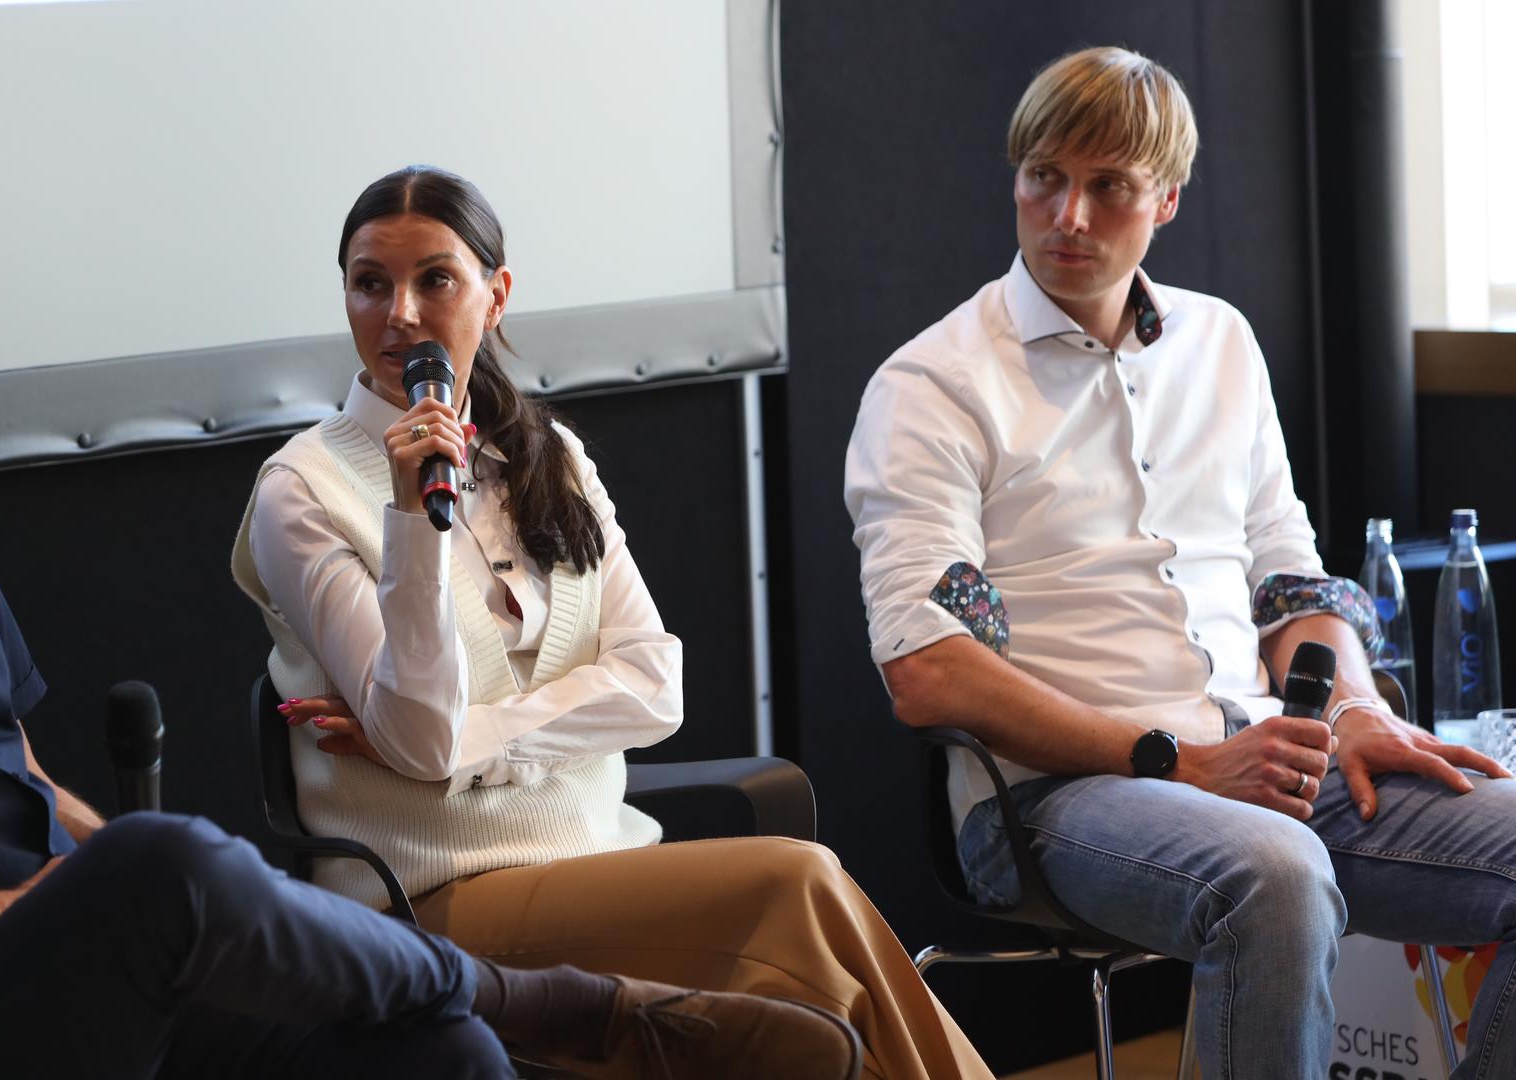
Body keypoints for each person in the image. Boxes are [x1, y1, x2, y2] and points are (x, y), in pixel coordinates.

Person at [0, 165, 866, 1080]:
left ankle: (511, 1011)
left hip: (72, 960)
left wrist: (126, 884)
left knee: (431, 1048)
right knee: (164, 862)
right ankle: (574, 1008)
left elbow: (14, 768)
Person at [232, 164, 995, 1080]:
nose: (399, 312)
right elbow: (422, 734)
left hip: (608, 864)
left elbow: (653, 683)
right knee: (798, 883)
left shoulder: (546, 454)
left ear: (495, 294)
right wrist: (412, 522)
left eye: (434, 279)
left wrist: (482, 741)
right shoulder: (300, 491)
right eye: (369, 283)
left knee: (816, 1006)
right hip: (429, 902)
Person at [847, 45, 1516, 1077]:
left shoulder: (1220, 343)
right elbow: (930, 669)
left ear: (1164, 200)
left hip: (1259, 758)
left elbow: (1290, 576)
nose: (1067, 216)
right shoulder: (934, 385)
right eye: (1044, 179)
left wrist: (1351, 709)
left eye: (1107, 186)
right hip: (1050, 800)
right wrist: (1181, 760)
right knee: (1279, 876)